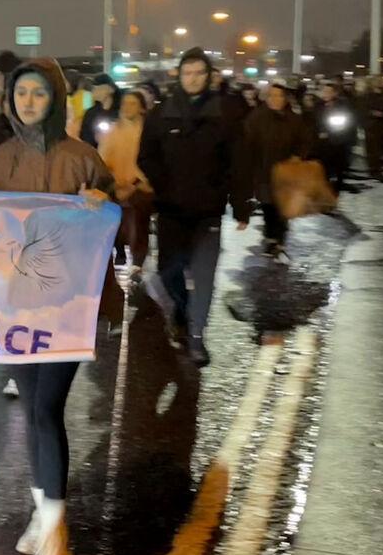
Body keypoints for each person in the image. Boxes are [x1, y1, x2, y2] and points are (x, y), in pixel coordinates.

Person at [0, 58, 113, 555]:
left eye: (38, 93)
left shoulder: (83, 158)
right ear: (9, 100)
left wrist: (103, 200)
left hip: (70, 307)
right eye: (20, 93)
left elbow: (118, 212)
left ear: (55, 99)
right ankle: (44, 510)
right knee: (32, 410)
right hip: (15, 306)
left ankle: (54, 532)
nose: (28, 101)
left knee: (46, 408)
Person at [138, 47, 251, 367]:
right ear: (179, 75)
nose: (193, 78)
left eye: (199, 73)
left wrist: (241, 205)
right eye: (187, 72)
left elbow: (239, 163)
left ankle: (197, 336)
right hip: (171, 210)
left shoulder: (225, 114)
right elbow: (146, 155)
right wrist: (163, 185)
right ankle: (181, 312)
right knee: (167, 272)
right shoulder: (161, 114)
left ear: (209, 75)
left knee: (204, 276)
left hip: (208, 212)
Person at [244, 81, 313, 261]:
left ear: (285, 99)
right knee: (268, 205)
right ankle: (270, 235)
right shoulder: (257, 118)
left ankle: (279, 238)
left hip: (287, 171)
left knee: (282, 207)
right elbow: (247, 142)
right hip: (264, 171)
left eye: (279, 96)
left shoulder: (294, 119)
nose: (276, 99)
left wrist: (299, 155)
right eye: (272, 96)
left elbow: (305, 140)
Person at [99, 90, 153, 268]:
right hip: (117, 186)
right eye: (125, 104)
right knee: (117, 223)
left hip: (141, 187)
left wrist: (136, 181)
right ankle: (120, 252)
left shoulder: (149, 132)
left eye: (133, 104)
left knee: (138, 224)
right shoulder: (112, 132)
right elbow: (103, 160)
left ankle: (138, 262)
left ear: (141, 109)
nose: (127, 108)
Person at [314, 82, 357, 191]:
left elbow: (343, 123)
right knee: (324, 165)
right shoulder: (318, 105)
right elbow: (315, 121)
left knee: (338, 164)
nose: (326, 94)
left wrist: (328, 132)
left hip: (338, 140)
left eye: (329, 92)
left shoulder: (341, 106)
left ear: (334, 93)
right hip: (322, 142)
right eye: (324, 91)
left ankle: (338, 183)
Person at [357, 76, 383, 180]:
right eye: (376, 81)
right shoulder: (366, 96)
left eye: (380, 81)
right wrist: (372, 113)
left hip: (382, 125)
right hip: (371, 125)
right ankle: (374, 170)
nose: (378, 82)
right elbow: (362, 110)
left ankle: (377, 168)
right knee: (372, 149)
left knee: (380, 148)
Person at [78, 73, 120, 147]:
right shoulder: (90, 113)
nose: (95, 91)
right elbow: (85, 137)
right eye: (93, 88)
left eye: (99, 88)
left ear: (110, 90)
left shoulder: (120, 113)